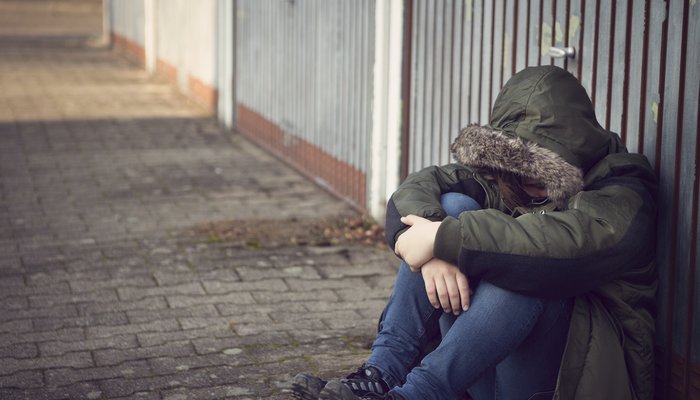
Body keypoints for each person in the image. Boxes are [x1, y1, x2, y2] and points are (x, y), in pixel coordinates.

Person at [291, 65, 657, 400]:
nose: (527, 177)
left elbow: (562, 246)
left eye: (543, 165)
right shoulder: (504, 178)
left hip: (569, 381)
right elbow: (422, 185)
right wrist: (433, 253)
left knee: (521, 265)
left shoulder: (621, 188)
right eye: (518, 164)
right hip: (481, 371)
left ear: (576, 151)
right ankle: (381, 376)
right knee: (451, 206)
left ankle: (416, 394)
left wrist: (442, 240)